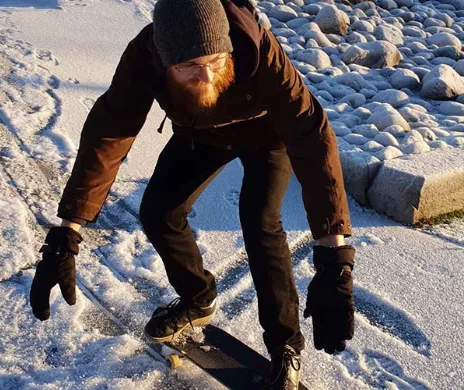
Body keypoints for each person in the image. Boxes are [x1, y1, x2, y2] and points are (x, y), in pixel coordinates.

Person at [29, 0, 356, 388]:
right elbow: (109, 129)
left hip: (268, 137)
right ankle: (198, 297)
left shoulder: (257, 49)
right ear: (165, 61)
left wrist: (335, 259)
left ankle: (285, 346)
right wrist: (68, 231)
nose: (204, 76)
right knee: (158, 211)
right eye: (187, 67)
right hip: (202, 133)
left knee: (260, 221)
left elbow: (311, 135)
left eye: (215, 61)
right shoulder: (144, 56)